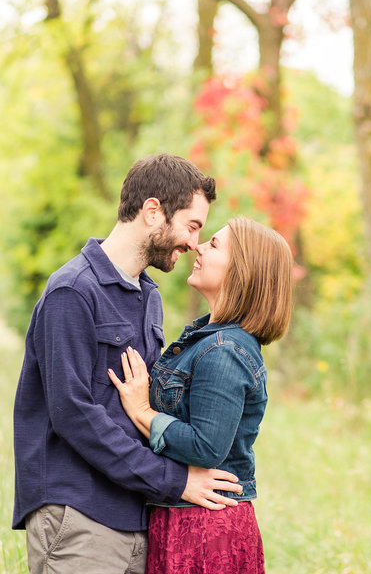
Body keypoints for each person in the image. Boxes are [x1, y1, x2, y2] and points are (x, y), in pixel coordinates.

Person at [13, 153, 243, 574]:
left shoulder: (148, 297)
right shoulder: (72, 291)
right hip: (78, 515)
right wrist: (176, 481)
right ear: (153, 211)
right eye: (192, 226)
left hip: (136, 516)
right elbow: (73, 415)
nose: (194, 242)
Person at [108, 216, 294, 573]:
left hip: (205, 528)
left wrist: (142, 411)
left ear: (242, 271)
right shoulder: (207, 339)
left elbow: (207, 447)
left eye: (214, 244)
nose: (198, 245)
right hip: (183, 515)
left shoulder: (224, 350)